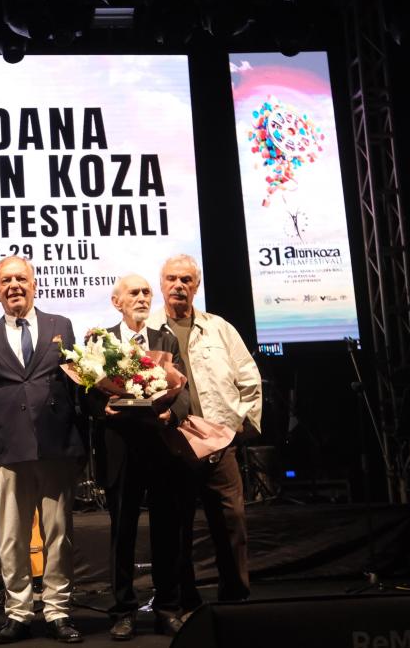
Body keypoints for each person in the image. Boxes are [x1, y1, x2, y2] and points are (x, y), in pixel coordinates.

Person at [0, 256, 85, 645]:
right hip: (9, 448)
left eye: (20, 278)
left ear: (34, 284)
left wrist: (80, 443)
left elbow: (75, 386)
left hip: (56, 446)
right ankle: (18, 613)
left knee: (58, 534)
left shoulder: (61, 326)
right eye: (6, 280)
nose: (14, 286)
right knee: (12, 538)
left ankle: (57, 611)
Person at [148, 254, 262, 610]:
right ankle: (186, 601)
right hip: (173, 443)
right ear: (161, 284)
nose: (178, 285)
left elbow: (249, 378)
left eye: (186, 280)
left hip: (219, 441)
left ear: (196, 286)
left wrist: (240, 426)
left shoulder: (219, 328)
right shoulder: (148, 330)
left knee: (232, 521)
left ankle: (236, 597)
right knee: (177, 528)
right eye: (172, 279)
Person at [91, 274, 190, 640]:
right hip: (121, 449)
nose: (143, 297)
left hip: (160, 447)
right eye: (134, 292)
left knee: (166, 530)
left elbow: (184, 389)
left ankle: (167, 608)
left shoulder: (165, 339)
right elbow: (86, 392)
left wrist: (172, 413)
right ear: (117, 302)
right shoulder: (100, 341)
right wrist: (102, 408)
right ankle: (124, 611)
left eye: (147, 292)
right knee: (123, 533)